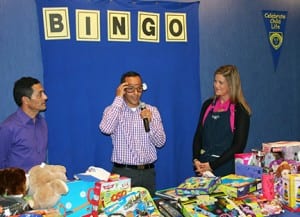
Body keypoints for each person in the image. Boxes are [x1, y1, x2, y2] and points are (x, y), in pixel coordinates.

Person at [99, 71, 166, 196]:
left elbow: (161, 142)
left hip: (148, 173)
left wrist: (150, 123)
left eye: (139, 89)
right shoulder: (113, 110)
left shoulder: (152, 110)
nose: (136, 93)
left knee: (148, 213)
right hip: (123, 173)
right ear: (122, 89)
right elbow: (106, 129)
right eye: (130, 89)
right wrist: (118, 99)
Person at [192, 65, 251, 177]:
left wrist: (213, 165)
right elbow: (198, 135)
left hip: (226, 169)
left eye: (221, 82)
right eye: (215, 81)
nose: (216, 85)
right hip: (204, 167)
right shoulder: (208, 105)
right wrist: (196, 160)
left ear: (231, 84)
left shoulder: (240, 110)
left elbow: (239, 145)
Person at [0, 77, 48, 172]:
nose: (45, 97)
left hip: (39, 182)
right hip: (16, 185)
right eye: (39, 94)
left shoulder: (42, 122)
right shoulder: (8, 127)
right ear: (26, 100)